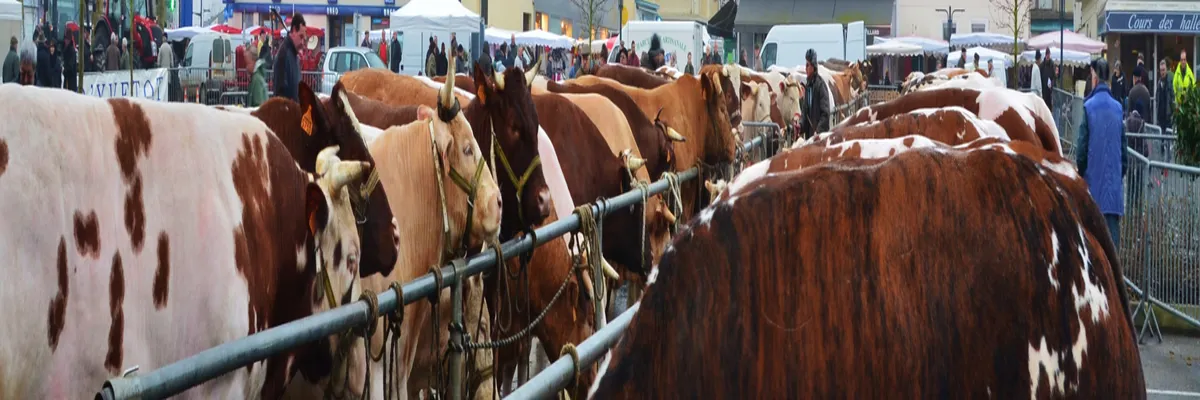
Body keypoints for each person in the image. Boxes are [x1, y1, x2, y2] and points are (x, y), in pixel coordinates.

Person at [1076, 58, 1126, 248]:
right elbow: (1124, 153)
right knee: (1113, 255)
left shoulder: (1088, 107)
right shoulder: (1118, 108)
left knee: (1093, 251)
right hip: (1113, 193)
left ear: (1095, 78)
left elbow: (1081, 150)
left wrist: (1081, 175)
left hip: (1093, 191)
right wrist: (1117, 175)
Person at [272, 14, 305, 102]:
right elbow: (280, 97)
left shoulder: (294, 55)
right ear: (294, 30)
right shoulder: (283, 55)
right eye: (301, 37)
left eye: (304, 39)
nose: (302, 42)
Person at [800, 49, 830, 139]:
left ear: (813, 66)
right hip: (810, 137)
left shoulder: (820, 85)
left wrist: (818, 131)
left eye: (807, 65)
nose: (805, 68)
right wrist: (800, 126)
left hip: (819, 137)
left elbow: (825, 113)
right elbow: (805, 112)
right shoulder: (808, 86)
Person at [1157, 58, 1174, 129]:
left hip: (1168, 116)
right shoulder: (1159, 82)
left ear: (1166, 69)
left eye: (1163, 70)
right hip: (1160, 117)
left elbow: (1173, 97)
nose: (1162, 72)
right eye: (1161, 70)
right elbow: (1157, 96)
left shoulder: (1170, 81)